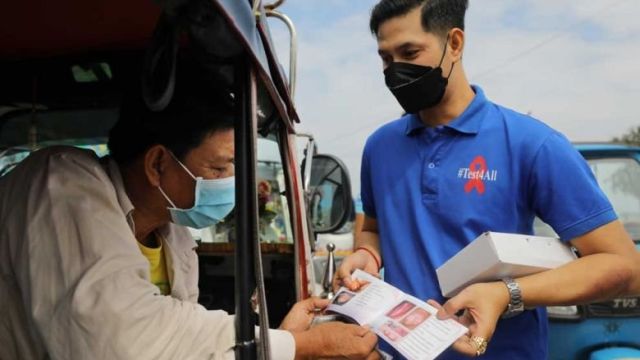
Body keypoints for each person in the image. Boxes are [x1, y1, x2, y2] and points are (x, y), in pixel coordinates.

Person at [0, 69, 379, 359]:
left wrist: (279, 335)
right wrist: (296, 346)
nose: (231, 183)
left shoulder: (175, 234)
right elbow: (120, 339)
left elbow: (178, 345)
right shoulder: (61, 182)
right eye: (218, 169)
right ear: (157, 164)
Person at [335, 0, 640, 359]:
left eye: (410, 52)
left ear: (455, 43)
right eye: (386, 58)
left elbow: (624, 267)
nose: (396, 70)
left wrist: (505, 294)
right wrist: (367, 254)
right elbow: (373, 228)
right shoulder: (380, 147)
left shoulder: (533, 144)